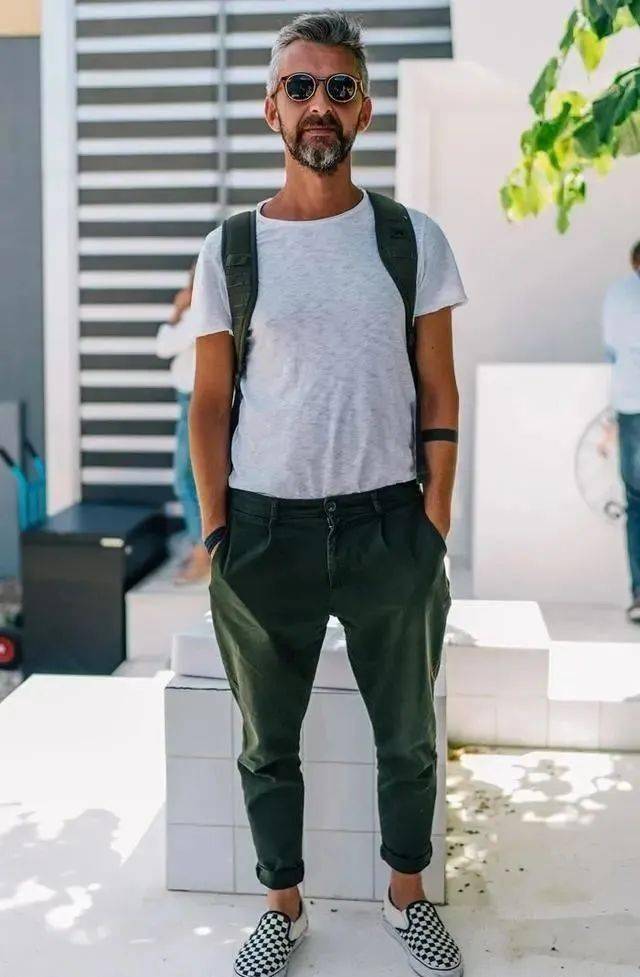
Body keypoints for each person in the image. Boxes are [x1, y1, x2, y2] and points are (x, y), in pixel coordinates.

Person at [189, 11, 468, 977]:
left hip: (391, 524)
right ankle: (283, 907)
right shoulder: (231, 249)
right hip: (265, 533)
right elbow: (211, 403)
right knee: (268, 742)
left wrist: (434, 522)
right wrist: (218, 530)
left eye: (338, 87)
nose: (320, 104)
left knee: (408, 735)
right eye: (300, 87)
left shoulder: (410, 239)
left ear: (364, 109)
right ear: (271, 108)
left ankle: (406, 898)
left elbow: (439, 388)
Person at [155, 263, 211, 585]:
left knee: (186, 479)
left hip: (193, 401)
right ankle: (200, 545)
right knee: (193, 478)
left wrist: (176, 310)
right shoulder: (203, 312)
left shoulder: (199, 313)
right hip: (191, 400)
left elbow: (163, 347)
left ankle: (203, 551)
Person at [602, 239, 640, 623]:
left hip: (632, 405)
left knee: (637, 501)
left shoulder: (619, 293)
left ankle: (639, 595)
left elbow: (611, 346)